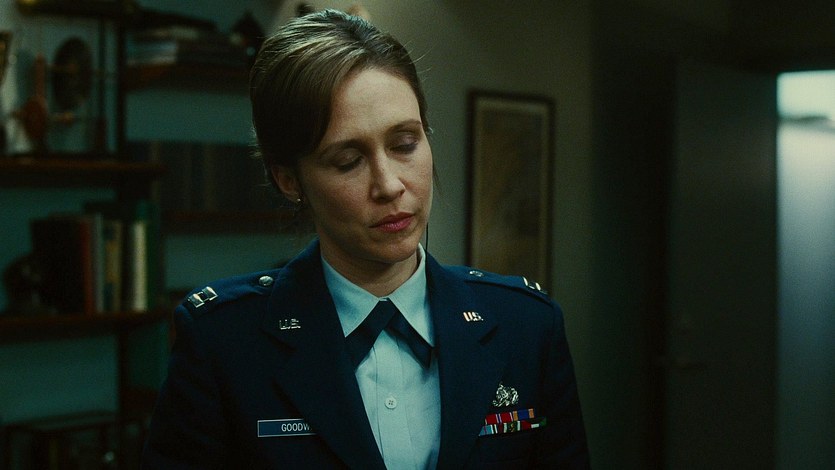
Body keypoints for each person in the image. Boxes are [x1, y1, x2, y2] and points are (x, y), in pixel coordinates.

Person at [142, 9, 589, 469]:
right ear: (289, 180)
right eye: (348, 161)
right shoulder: (222, 342)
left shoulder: (526, 327)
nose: (389, 185)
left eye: (404, 144)